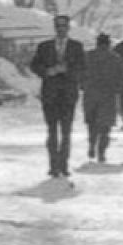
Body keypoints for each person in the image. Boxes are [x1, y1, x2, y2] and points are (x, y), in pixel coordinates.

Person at [29, 14, 85, 177]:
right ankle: (53, 165)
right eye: (58, 27)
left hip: (68, 94)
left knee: (66, 132)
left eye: (64, 27)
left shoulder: (76, 47)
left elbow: (82, 68)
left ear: (68, 29)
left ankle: (64, 164)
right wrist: (47, 71)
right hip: (50, 95)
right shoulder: (44, 47)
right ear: (55, 28)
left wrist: (67, 70)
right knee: (52, 131)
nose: (61, 30)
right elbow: (34, 65)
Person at [82, 33, 123, 163]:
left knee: (92, 123)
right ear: (109, 43)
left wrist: (83, 86)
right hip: (108, 96)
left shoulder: (88, 56)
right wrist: (117, 90)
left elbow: (80, 73)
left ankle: (91, 143)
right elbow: (121, 77)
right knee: (105, 126)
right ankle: (101, 152)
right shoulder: (116, 58)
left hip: (91, 95)